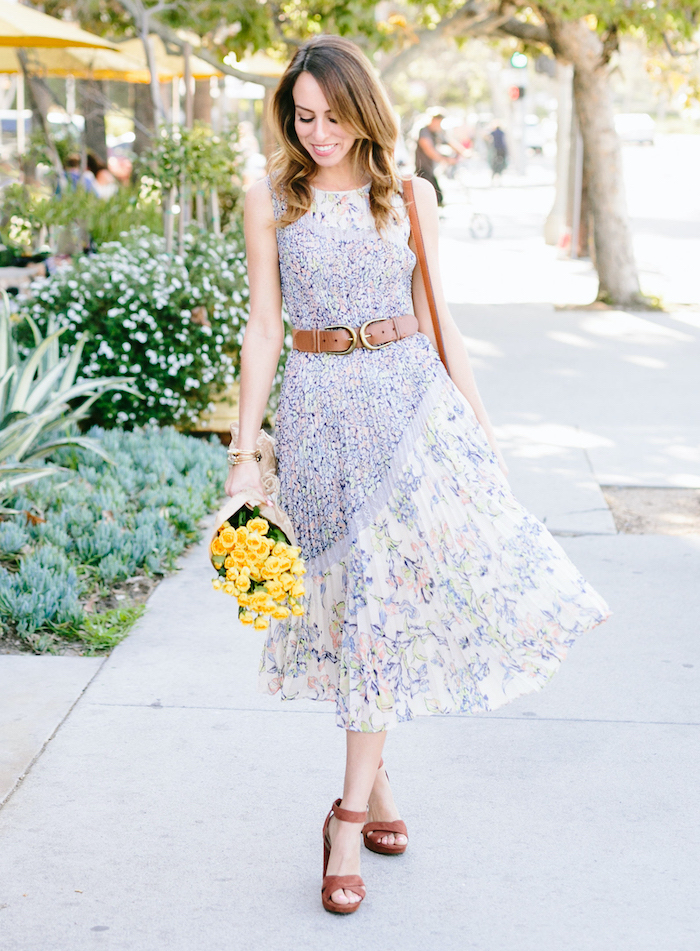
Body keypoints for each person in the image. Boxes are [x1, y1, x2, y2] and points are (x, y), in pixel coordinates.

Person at [224, 34, 610, 915]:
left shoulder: (409, 195)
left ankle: (348, 816)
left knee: (382, 616)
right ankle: (382, 788)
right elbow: (261, 330)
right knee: (359, 613)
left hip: (410, 415)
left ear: (365, 111)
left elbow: (441, 322)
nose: (315, 133)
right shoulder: (270, 198)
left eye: (330, 115)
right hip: (320, 418)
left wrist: (483, 431)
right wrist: (246, 457)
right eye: (302, 116)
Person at [414, 109, 464, 205]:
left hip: (430, 169)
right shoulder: (424, 131)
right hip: (423, 170)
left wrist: (463, 152)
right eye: (438, 122)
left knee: (437, 198)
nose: (439, 125)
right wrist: (446, 160)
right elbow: (429, 150)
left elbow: (449, 142)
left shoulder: (437, 132)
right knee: (434, 198)